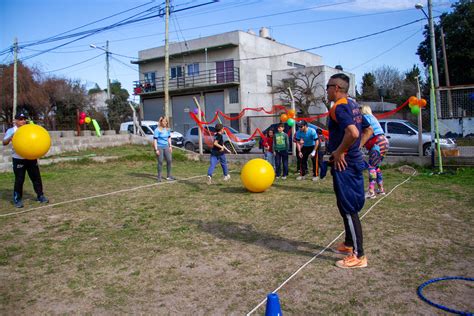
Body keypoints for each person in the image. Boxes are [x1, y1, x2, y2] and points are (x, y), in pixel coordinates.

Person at [326, 73, 369, 269]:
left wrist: (341, 150)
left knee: (349, 208)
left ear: (336, 88)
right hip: (350, 161)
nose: (326, 91)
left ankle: (359, 256)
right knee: (344, 205)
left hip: (345, 165)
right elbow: (366, 130)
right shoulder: (353, 105)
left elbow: (352, 132)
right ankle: (348, 244)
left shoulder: (339, 107)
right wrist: (352, 147)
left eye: (327, 87)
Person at [2, 113, 49, 208]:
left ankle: (40, 195)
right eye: (20, 119)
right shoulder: (11, 130)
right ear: (15, 121)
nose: (23, 121)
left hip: (31, 158)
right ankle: (17, 199)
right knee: (19, 180)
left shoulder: (29, 128)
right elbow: (4, 142)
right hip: (18, 159)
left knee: (36, 178)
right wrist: (10, 138)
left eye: (24, 119)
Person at [360, 105, 389, 199]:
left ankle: (371, 192)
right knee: (376, 167)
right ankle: (381, 189)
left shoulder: (364, 118)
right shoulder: (373, 118)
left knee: (371, 167)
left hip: (376, 143)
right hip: (384, 142)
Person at [153, 116, 175, 182]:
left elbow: (169, 137)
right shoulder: (157, 130)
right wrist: (156, 149)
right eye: (163, 121)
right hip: (159, 147)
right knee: (160, 161)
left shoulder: (167, 129)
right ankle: (159, 177)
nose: (165, 122)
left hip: (166, 146)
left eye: (166, 121)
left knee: (169, 160)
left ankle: (169, 176)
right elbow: (155, 140)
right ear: (161, 122)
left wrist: (170, 146)